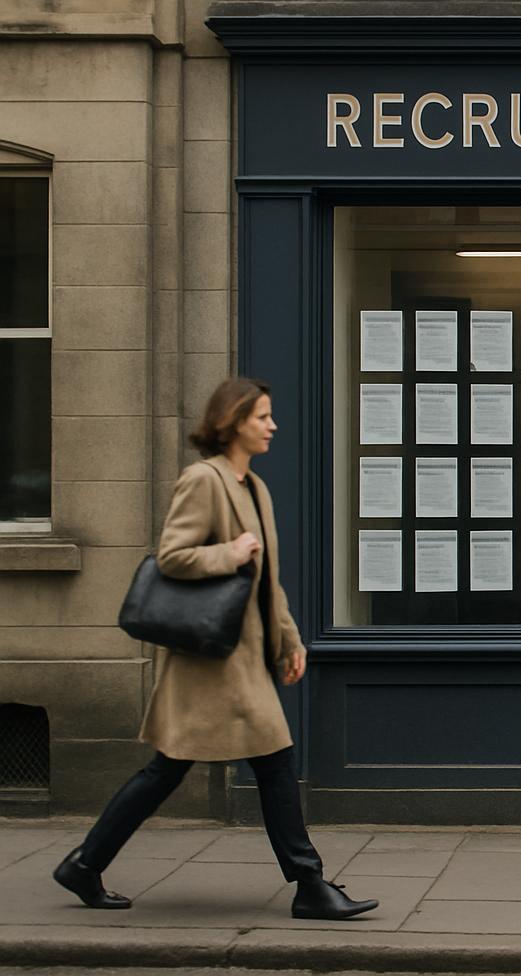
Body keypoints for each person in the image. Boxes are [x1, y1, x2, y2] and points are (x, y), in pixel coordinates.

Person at [53, 377, 378, 921]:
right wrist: (229, 551)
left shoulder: (254, 487)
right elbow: (172, 556)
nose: (272, 426)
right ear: (232, 422)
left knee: (177, 768)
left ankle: (85, 864)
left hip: (243, 657)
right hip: (210, 661)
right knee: (266, 762)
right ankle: (309, 883)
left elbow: (268, 580)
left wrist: (290, 643)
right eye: (262, 417)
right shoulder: (203, 481)